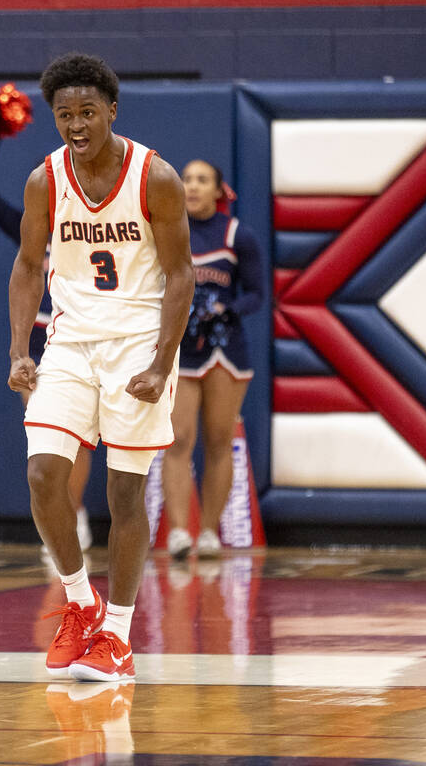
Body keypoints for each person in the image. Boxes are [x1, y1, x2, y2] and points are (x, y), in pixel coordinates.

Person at [8, 53, 193, 682]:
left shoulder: (156, 176)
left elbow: (181, 276)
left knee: (124, 491)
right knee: (41, 476)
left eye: (88, 112)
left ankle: (116, 634)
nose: (76, 124)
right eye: (65, 114)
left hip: (139, 344)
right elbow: (29, 266)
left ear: (112, 111)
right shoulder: (45, 180)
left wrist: (162, 362)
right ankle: (80, 604)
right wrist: (17, 350)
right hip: (70, 343)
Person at [0, 131, 93, 553]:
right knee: (52, 434)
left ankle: (74, 513)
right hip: (44, 343)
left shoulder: (92, 227)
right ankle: (62, 519)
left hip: (85, 336)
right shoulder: (32, 231)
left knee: (82, 438)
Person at [161, 160, 265, 559]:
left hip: (225, 351)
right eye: (187, 179)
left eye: (202, 180)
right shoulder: (169, 234)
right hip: (181, 352)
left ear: (219, 191)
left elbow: (257, 294)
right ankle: (177, 535)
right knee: (178, 440)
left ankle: (208, 533)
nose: (192, 186)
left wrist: (224, 308)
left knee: (219, 441)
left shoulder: (238, 234)